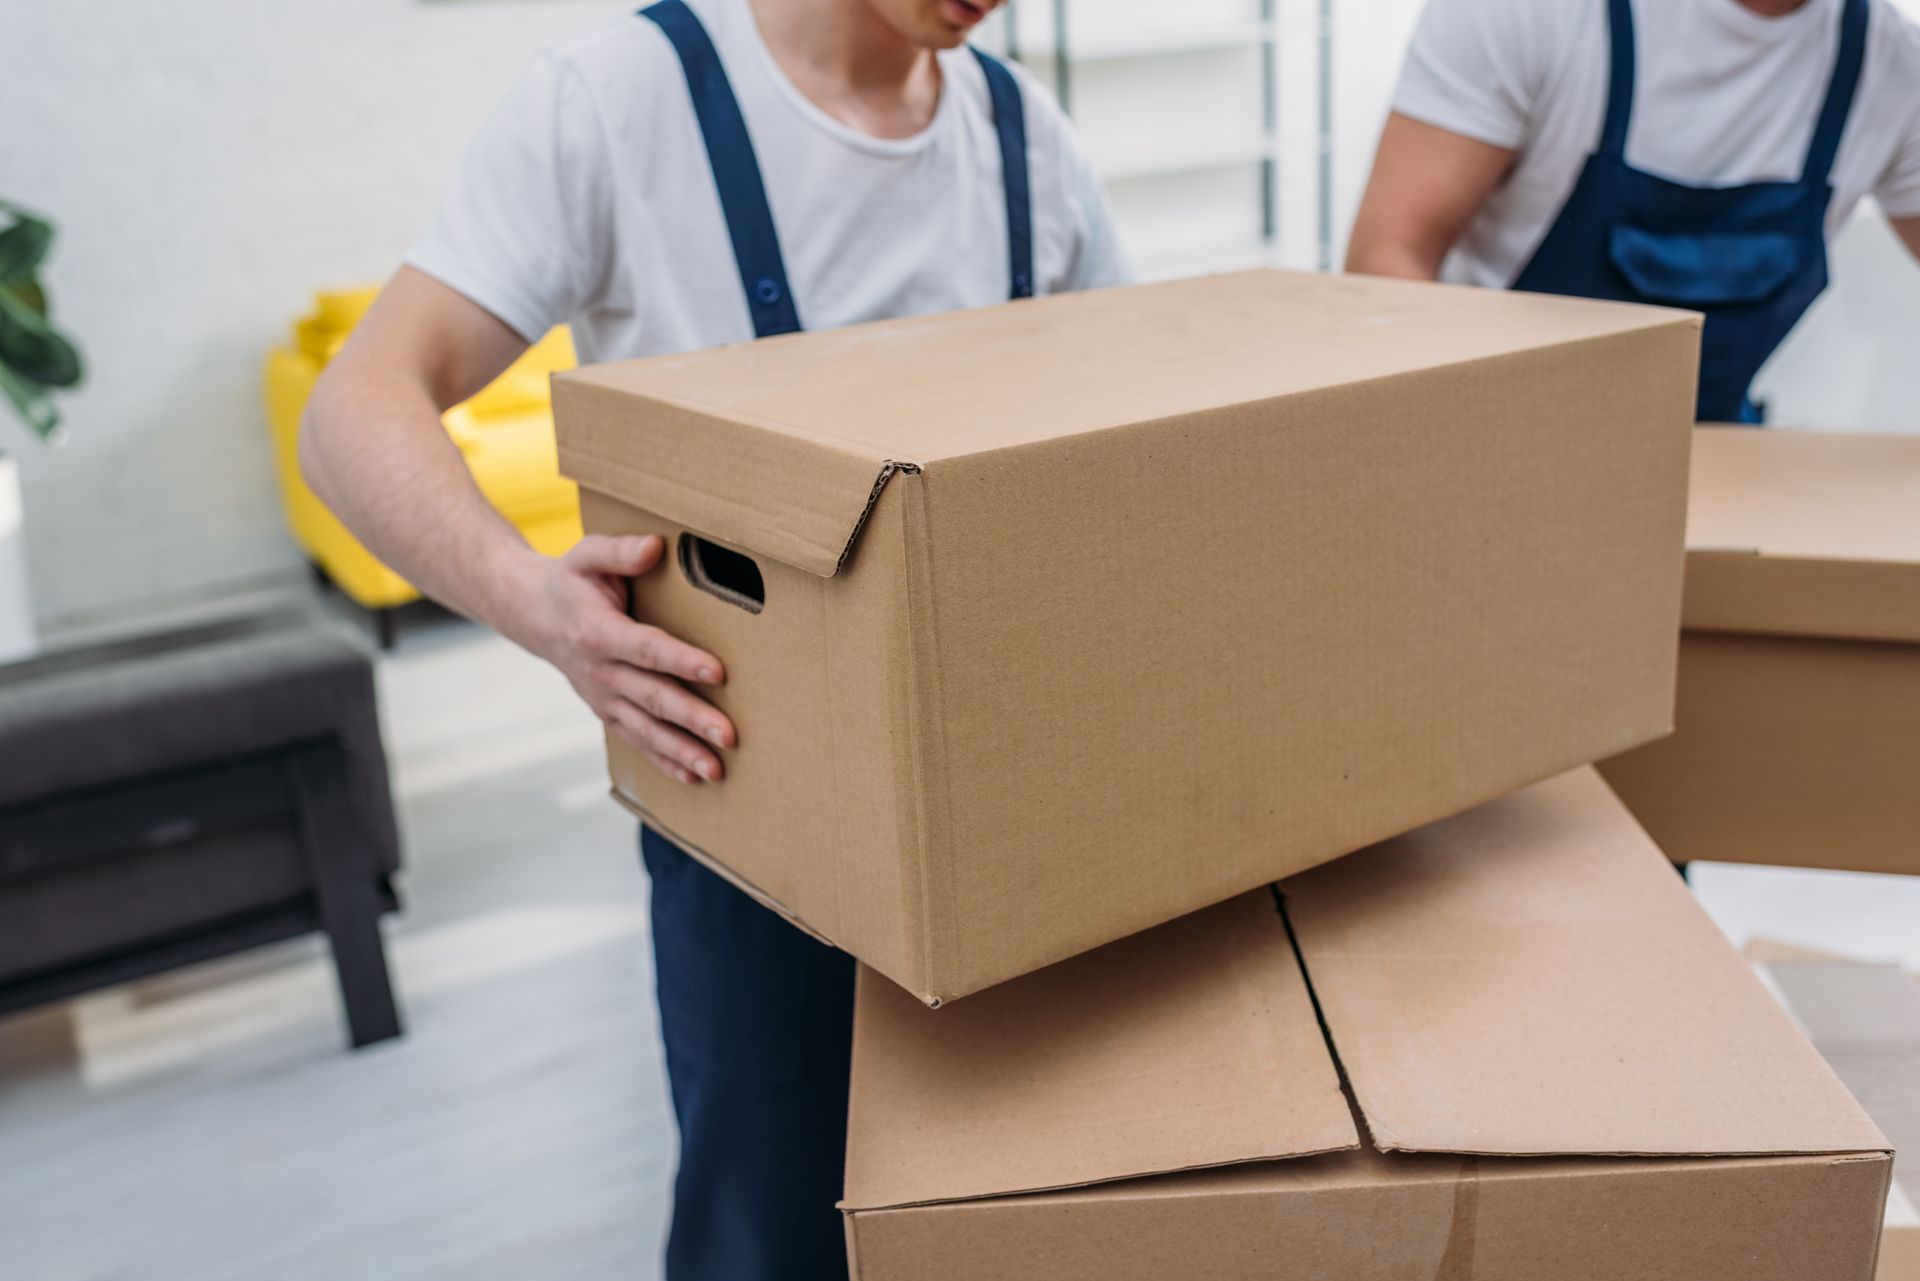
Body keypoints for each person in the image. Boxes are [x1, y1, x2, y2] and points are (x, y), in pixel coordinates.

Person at [298, 0, 1127, 1275]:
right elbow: (355, 408)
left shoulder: (1028, 137)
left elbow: (1132, 432)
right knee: (771, 1227)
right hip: (747, 826)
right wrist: (537, 608)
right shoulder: (619, 99)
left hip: (1021, 819)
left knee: (1015, 1215)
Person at [1346, 0, 1920, 422]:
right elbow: (1387, 256)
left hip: (1714, 453)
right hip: (1495, 435)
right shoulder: (1527, 14)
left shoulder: (1894, 67)